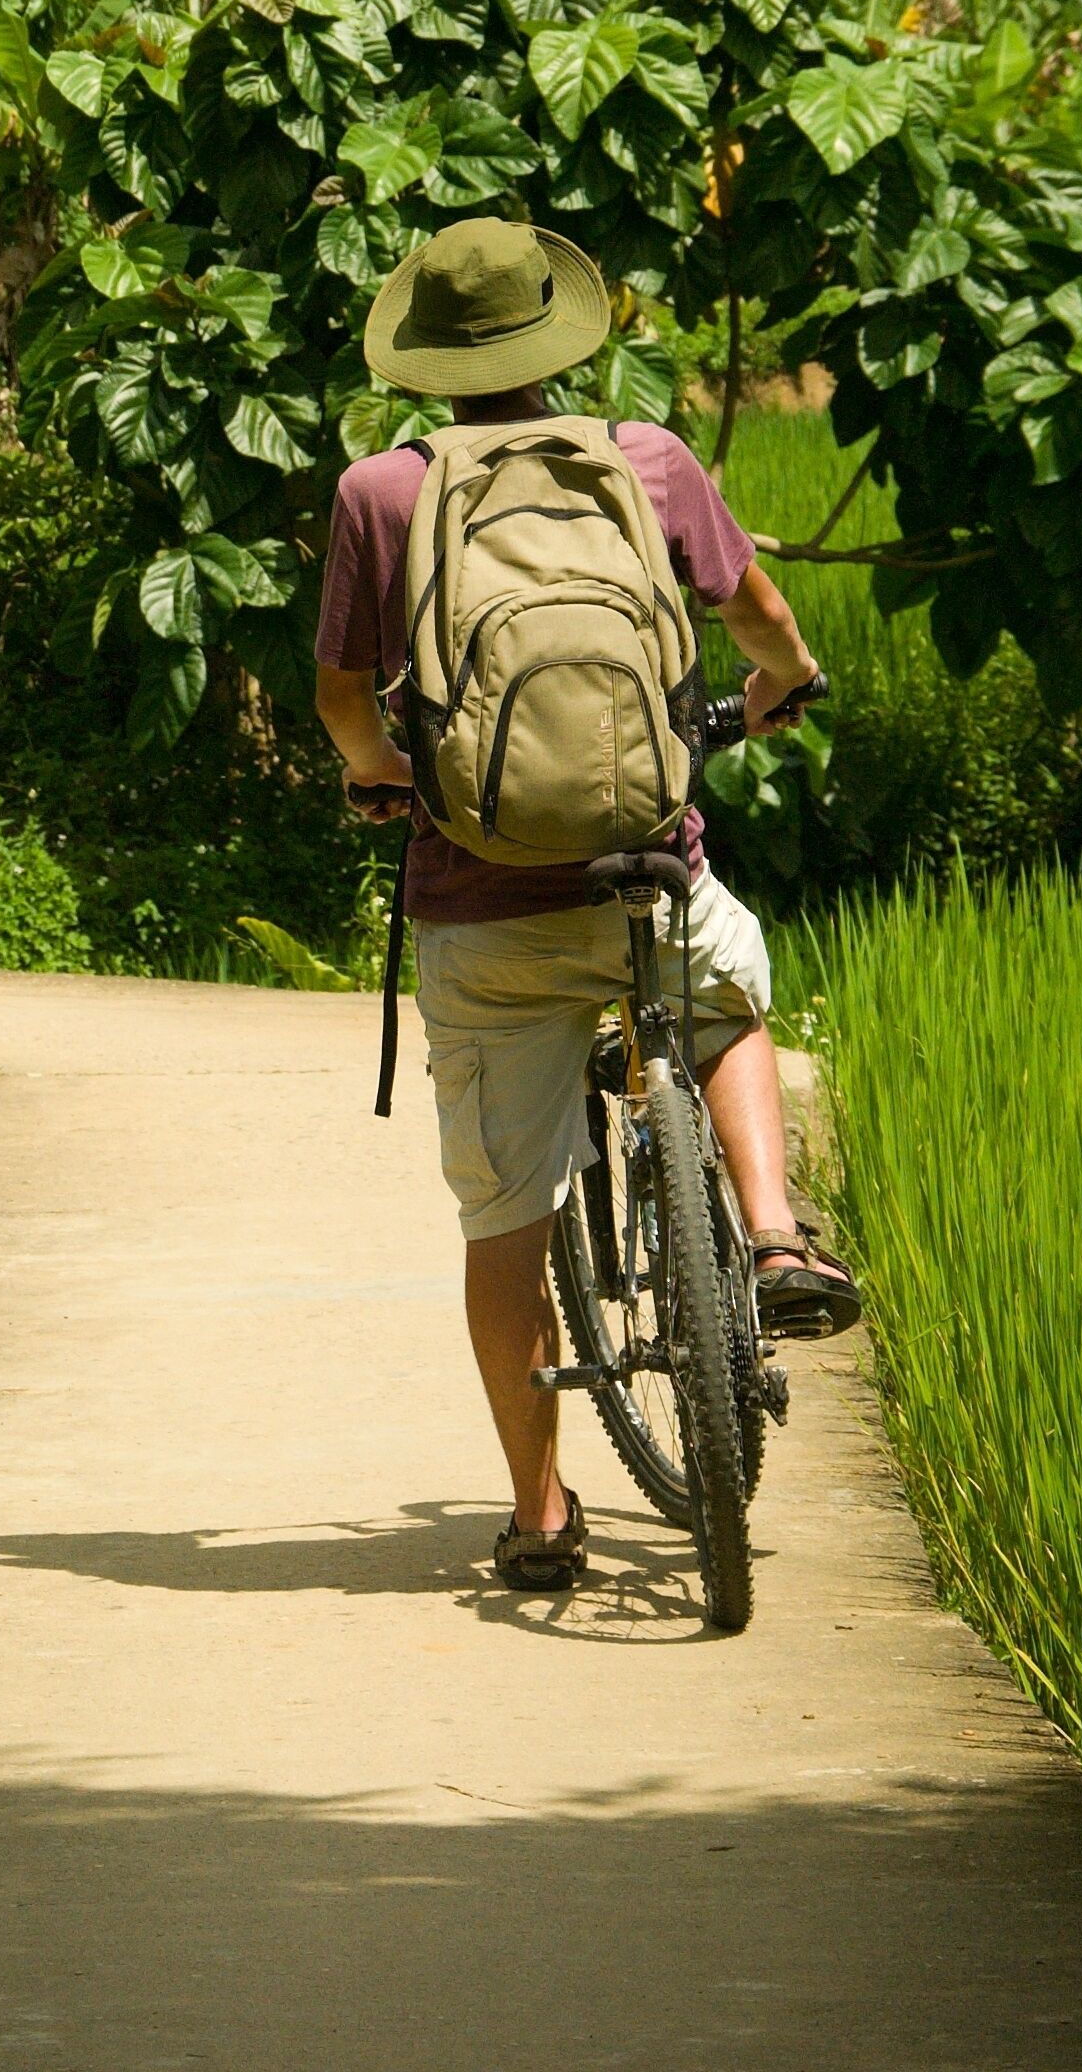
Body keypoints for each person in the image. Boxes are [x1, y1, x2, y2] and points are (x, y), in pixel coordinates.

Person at [304, 215, 861, 1597]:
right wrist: (780, 694)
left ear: (426, 354)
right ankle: (777, 1230)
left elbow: (338, 693)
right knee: (728, 985)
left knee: (504, 1222)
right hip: (644, 871)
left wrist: (380, 773)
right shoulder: (649, 460)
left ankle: (543, 1517)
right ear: (565, 334)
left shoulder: (383, 490)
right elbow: (764, 626)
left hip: (479, 901)